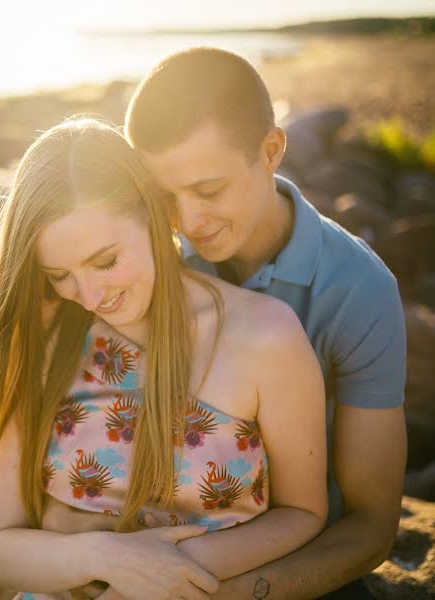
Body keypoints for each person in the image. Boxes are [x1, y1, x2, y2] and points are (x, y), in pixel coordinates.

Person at [42, 47, 408, 599]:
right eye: (164, 196)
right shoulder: (140, 262)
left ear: (271, 151)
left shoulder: (361, 291)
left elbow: (371, 525)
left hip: (286, 564)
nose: (188, 222)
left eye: (209, 191)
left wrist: (220, 593)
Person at [0, 117, 329, 599]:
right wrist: (106, 558)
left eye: (105, 262)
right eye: (60, 274)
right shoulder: (48, 337)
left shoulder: (266, 335)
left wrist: (163, 573)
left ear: (154, 213)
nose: (90, 294)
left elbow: (303, 513)